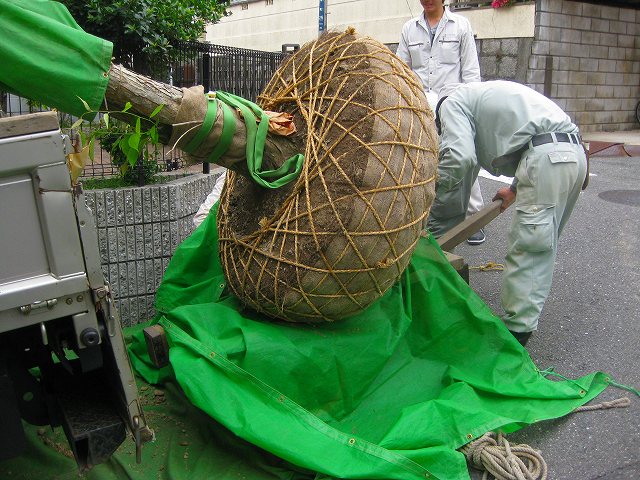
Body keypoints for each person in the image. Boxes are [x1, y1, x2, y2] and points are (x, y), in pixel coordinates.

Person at [429, 81, 587, 346]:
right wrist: (515, 187)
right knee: (542, 244)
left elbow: (459, 159)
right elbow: (537, 135)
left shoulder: (451, 104)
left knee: (530, 247)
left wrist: (428, 191)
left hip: (549, 159)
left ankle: (515, 337)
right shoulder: (479, 96)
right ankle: (522, 323)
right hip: (574, 156)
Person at [396, 0, 487, 245]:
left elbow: (471, 71)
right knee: (419, 158)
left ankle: (472, 216)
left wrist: (472, 107)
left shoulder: (461, 26)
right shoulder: (409, 29)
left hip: (452, 102)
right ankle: (423, 214)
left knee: (462, 153)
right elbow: (401, 69)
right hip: (420, 102)